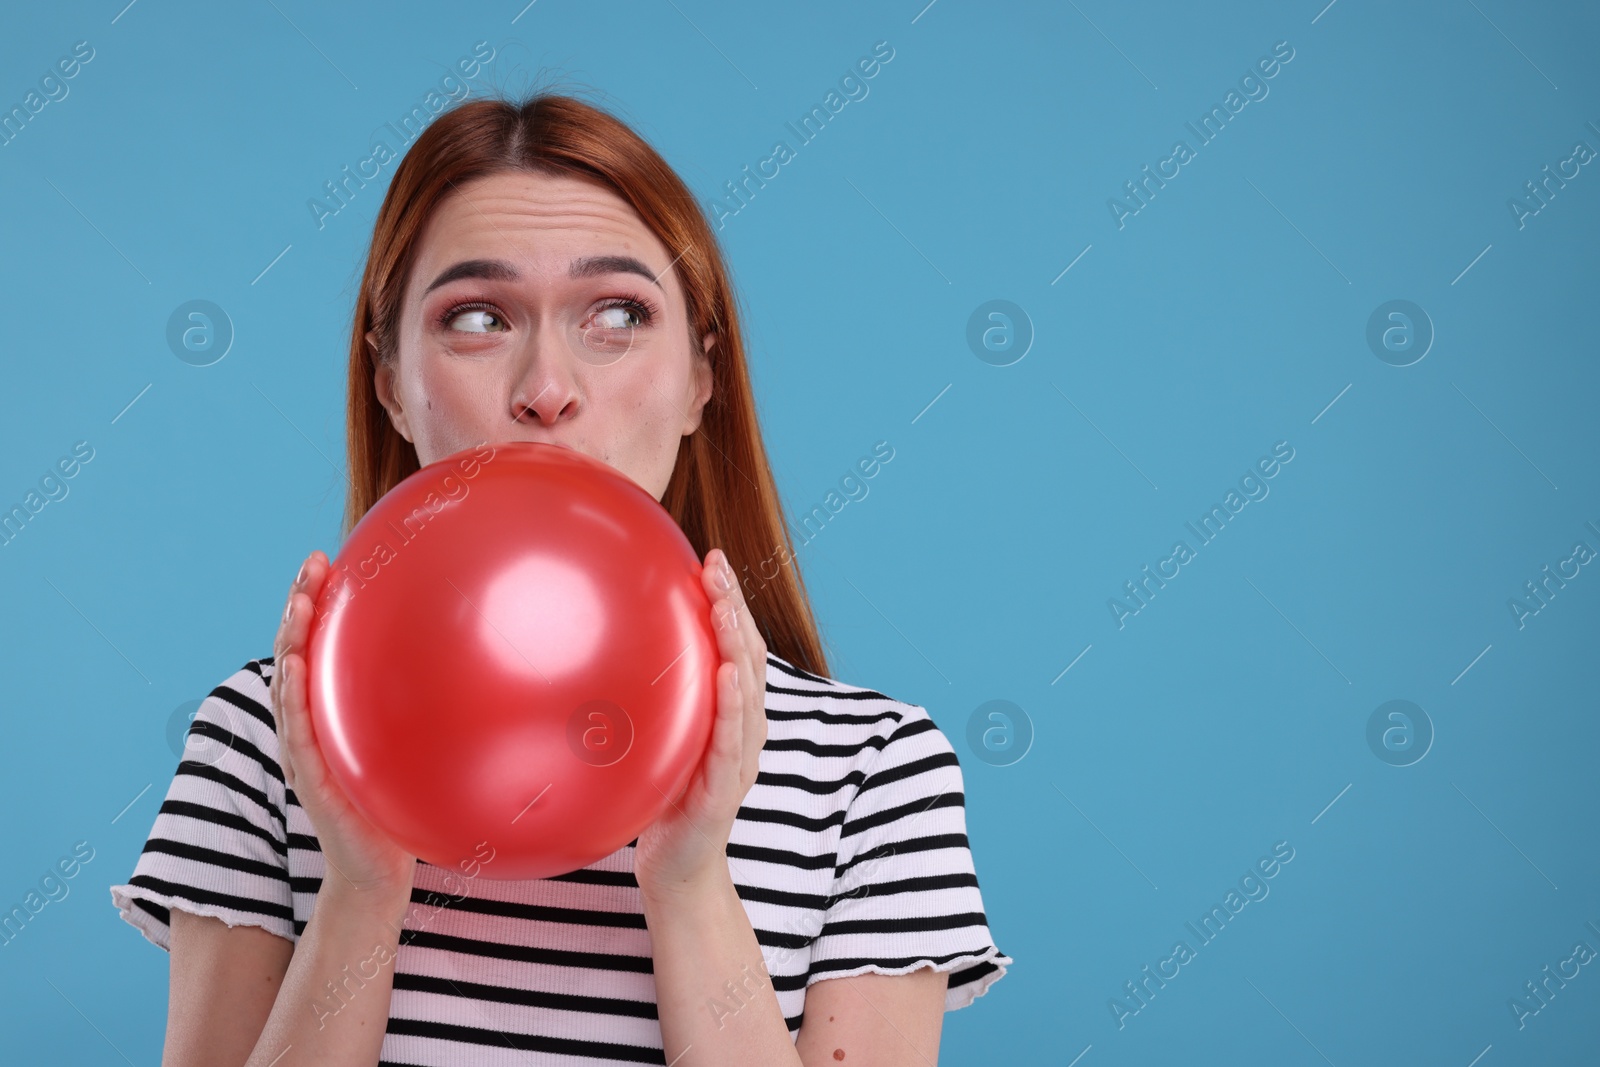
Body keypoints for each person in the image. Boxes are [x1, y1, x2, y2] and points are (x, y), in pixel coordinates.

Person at [109, 90, 1010, 1067]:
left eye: (618, 313)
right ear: (391, 385)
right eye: (478, 316)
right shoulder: (262, 739)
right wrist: (362, 888)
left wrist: (689, 881)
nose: (546, 388)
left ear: (700, 379)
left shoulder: (873, 772)